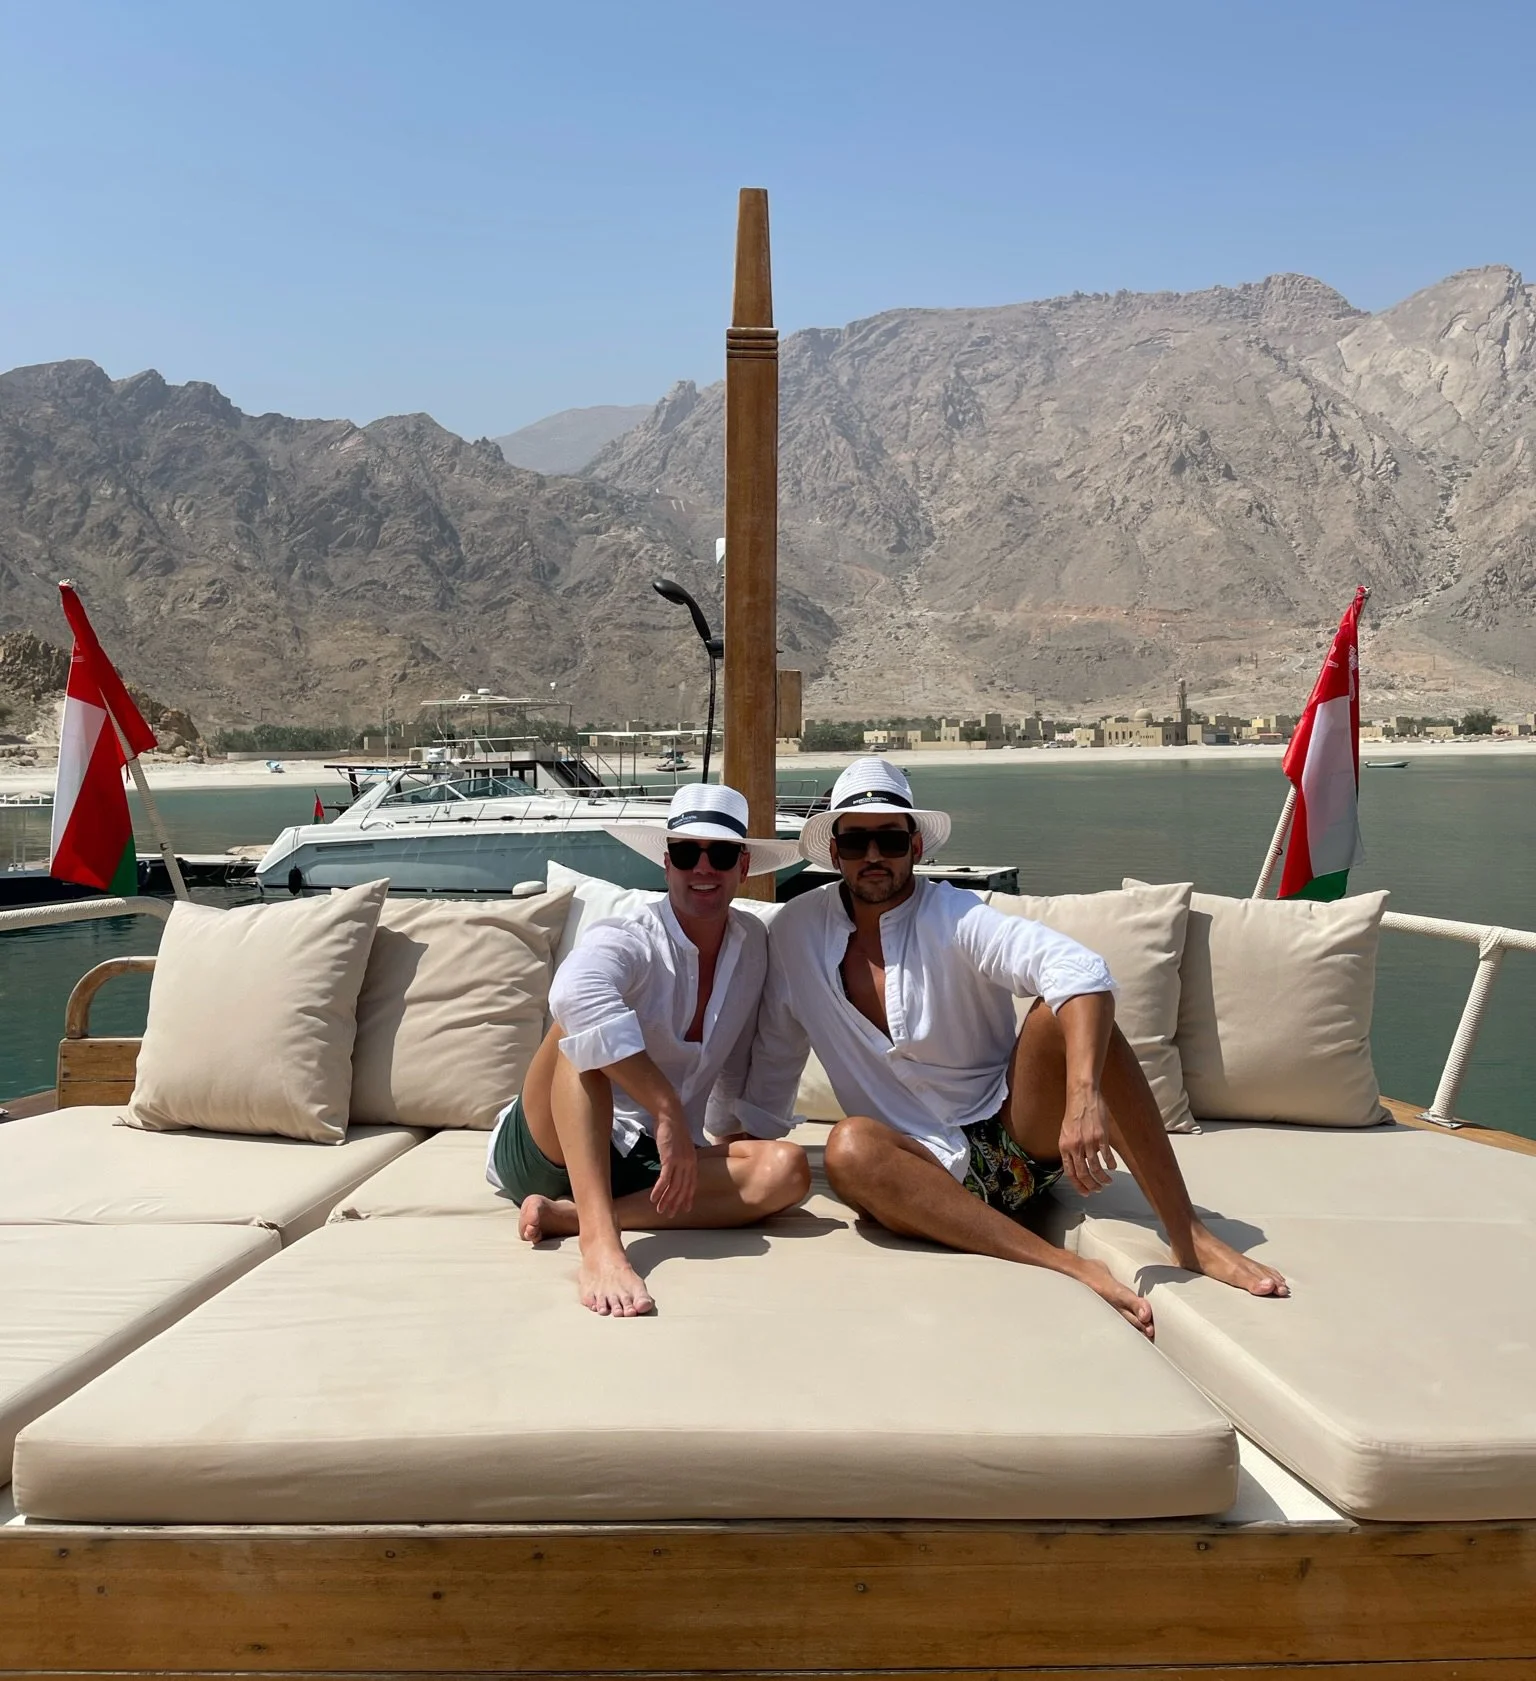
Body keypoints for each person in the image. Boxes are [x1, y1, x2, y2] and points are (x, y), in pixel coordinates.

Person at [734, 758, 1287, 1337]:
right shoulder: (795, 932)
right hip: (916, 1173)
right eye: (856, 841)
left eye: (890, 839)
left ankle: (1188, 1233)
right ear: (834, 851)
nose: (874, 856)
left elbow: (1079, 969)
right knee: (849, 1149)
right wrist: (744, 1139)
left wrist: (1081, 1100)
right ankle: (1066, 1266)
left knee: (1065, 1010)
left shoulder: (958, 915)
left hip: (1014, 1139)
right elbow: (776, 1045)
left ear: (915, 846)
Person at [487, 783, 811, 1318]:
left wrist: (725, 1148)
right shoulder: (631, 935)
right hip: (550, 1147)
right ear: (667, 863)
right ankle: (599, 1242)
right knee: (580, 1028)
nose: (702, 868)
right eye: (686, 853)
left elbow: (735, 1062)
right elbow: (576, 993)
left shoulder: (752, 944)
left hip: (648, 1162)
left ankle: (570, 1216)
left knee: (788, 1169)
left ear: (744, 864)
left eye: (721, 854)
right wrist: (664, 1107)